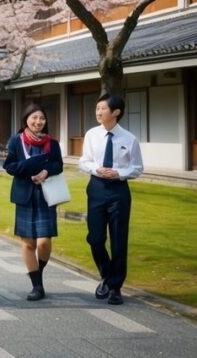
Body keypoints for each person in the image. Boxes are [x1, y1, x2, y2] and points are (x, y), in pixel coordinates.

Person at [79, 93, 143, 306]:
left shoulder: (129, 139)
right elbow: (84, 161)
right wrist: (96, 169)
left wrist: (119, 173)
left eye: (102, 109)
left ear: (115, 112)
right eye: (97, 109)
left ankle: (115, 287)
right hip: (96, 188)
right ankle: (107, 274)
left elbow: (137, 168)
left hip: (118, 191)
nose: (98, 112)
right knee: (95, 238)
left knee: (118, 240)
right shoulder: (91, 135)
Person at [4, 103, 64, 301]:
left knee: (44, 240)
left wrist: (46, 171)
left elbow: (58, 165)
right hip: (25, 195)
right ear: (26, 120)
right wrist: (28, 170)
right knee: (28, 242)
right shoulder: (16, 141)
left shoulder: (52, 143)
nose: (38, 122)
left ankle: (39, 271)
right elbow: (9, 166)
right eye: (34, 118)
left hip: (46, 195)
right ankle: (37, 285)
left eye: (42, 118)